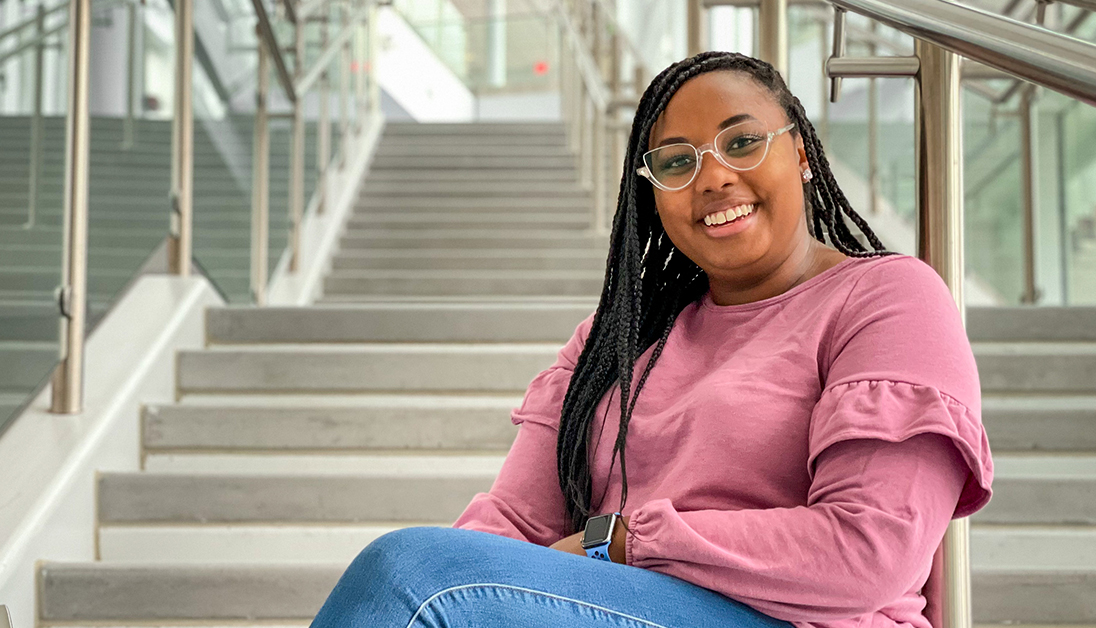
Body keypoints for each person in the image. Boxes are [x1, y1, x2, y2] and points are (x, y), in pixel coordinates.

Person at [309, 51, 993, 628]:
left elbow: (867, 552)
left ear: (804, 153)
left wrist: (626, 541)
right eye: (676, 163)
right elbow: (514, 521)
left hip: (800, 618)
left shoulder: (887, 300)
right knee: (430, 579)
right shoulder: (618, 337)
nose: (715, 177)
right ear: (654, 195)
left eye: (743, 142)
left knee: (413, 574)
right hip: (629, 608)